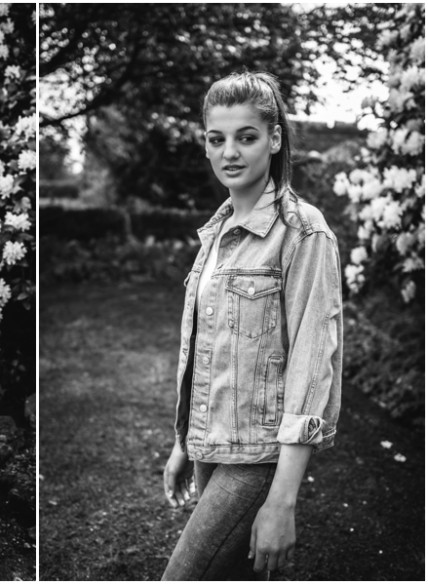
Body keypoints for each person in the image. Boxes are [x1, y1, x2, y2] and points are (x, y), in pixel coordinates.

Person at [161, 71, 343, 580]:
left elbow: (312, 366)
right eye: (216, 139)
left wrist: (282, 503)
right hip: (210, 443)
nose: (230, 153)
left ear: (275, 138)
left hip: (259, 457)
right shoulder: (217, 231)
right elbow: (204, 353)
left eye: (247, 136)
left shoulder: (304, 232)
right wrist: (184, 443)